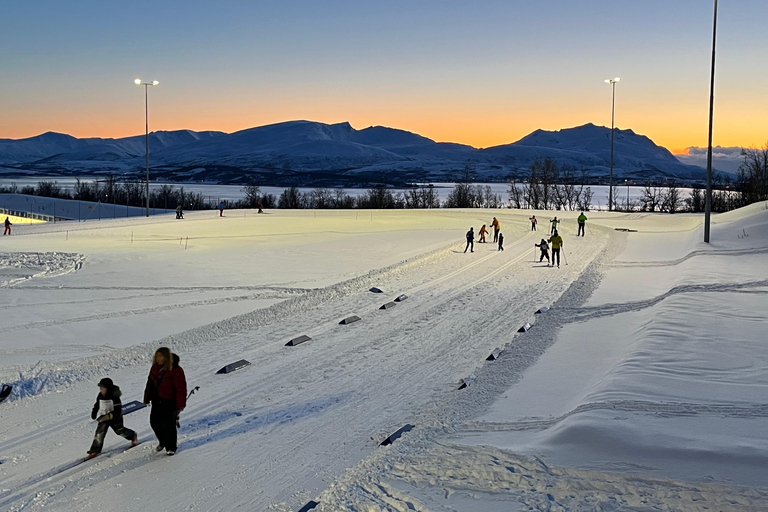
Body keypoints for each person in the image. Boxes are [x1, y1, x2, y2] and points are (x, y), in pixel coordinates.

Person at [144, 347, 187, 456]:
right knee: (154, 422)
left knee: (168, 424)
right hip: (156, 400)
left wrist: (181, 403)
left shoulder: (176, 370)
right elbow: (149, 384)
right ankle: (163, 441)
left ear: (166, 357)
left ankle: (171, 446)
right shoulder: (154, 368)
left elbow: (181, 388)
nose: (158, 358)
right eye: (156, 356)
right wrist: (146, 397)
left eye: (160, 356)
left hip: (170, 401)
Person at [86, 378, 137, 460]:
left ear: (108, 388)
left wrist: (108, 416)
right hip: (104, 417)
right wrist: (94, 412)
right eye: (100, 389)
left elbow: (117, 411)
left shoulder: (115, 396)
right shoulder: (100, 395)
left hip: (115, 418)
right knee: (99, 433)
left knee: (119, 431)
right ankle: (94, 450)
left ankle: (132, 435)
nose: (101, 390)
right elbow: (97, 404)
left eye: (102, 388)